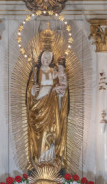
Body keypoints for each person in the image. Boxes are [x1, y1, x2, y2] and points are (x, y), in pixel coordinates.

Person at [26, 30, 69, 169]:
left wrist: (60, 92)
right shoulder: (36, 72)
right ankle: (40, 160)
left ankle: (50, 160)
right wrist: (33, 91)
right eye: (45, 56)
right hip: (39, 106)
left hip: (52, 106)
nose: (47, 59)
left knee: (52, 131)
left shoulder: (54, 72)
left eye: (49, 57)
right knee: (42, 132)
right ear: (40, 57)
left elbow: (62, 87)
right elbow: (31, 91)